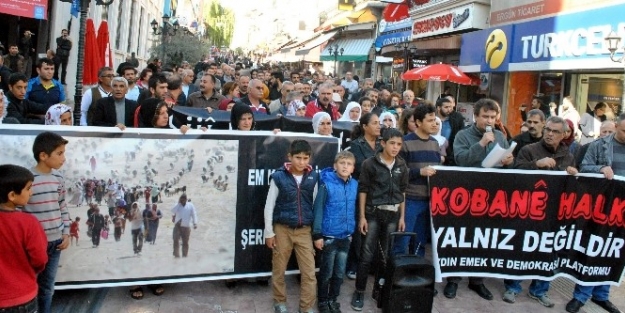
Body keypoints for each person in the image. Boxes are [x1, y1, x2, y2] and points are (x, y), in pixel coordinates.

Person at [445, 98, 514, 301]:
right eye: (485, 116)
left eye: (493, 117)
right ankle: (453, 279)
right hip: (467, 194)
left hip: (491, 196)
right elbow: (462, 160)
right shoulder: (463, 135)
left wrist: (509, 161)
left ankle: (477, 281)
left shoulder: (501, 136)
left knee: (484, 239)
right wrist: (481, 143)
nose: (489, 120)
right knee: (461, 238)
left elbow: (508, 163)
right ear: (476, 116)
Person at [506, 116, 578, 307]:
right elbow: (515, 173)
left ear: (564, 135)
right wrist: (536, 165)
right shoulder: (529, 150)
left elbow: (569, 185)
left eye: (555, 131)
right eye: (547, 130)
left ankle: (539, 290)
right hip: (528, 209)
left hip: (554, 212)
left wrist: (573, 174)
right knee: (522, 249)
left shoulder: (567, 154)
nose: (550, 134)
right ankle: (513, 287)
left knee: (548, 252)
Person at [567, 113, 625, 313]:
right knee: (594, 248)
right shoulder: (599, 145)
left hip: (622, 209)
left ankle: (602, 295)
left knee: (613, 249)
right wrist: (601, 168)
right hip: (601, 205)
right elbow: (584, 168)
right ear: (616, 126)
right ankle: (580, 296)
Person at [350, 128, 408, 311]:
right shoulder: (370, 163)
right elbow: (363, 190)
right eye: (392, 143)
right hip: (373, 213)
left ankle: (379, 289)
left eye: (399, 144)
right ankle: (359, 291)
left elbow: (403, 192)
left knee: (385, 256)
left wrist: (402, 217)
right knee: (366, 254)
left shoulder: (402, 165)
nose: (395, 147)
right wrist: (362, 217)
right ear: (383, 143)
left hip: (393, 215)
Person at [263, 140, 318, 313]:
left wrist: (316, 234)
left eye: (305, 158)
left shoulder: (313, 177)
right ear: (290, 157)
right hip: (282, 229)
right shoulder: (279, 176)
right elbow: (269, 206)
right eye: (298, 158)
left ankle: (307, 306)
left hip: (304, 231)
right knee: (279, 269)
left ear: (309, 158)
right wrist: (269, 232)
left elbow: (316, 206)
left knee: (309, 272)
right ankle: (280, 302)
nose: (301, 162)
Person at [23, 132, 70, 313]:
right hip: (34, 244)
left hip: (56, 243)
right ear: (43, 156)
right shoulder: (28, 181)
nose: (63, 158)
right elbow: (20, 212)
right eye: (59, 153)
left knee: (48, 286)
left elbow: (62, 206)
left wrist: (65, 232)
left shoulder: (58, 179)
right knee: (29, 283)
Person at [312, 151, 358, 313]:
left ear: (353, 168)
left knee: (339, 272)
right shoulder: (326, 184)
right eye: (342, 163)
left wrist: (351, 231)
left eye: (349, 164)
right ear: (335, 166)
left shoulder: (354, 185)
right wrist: (317, 234)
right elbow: (318, 210)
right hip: (329, 236)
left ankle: (333, 299)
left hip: (345, 236)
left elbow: (353, 210)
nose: (345, 166)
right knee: (326, 272)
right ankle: (323, 301)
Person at [0, 164, 48, 313]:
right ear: (12, 195)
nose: (31, 192)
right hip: (23, 297)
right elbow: (40, 259)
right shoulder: (29, 223)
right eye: (28, 188)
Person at [394, 104, 440, 257]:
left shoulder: (435, 143)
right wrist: (419, 172)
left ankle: (415, 274)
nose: (434, 123)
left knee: (420, 243)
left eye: (435, 120)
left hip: (429, 200)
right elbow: (399, 171)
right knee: (402, 240)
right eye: (430, 120)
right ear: (419, 122)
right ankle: (395, 276)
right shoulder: (405, 142)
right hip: (410, 200)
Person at [435, 96, 465, 165]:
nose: (449, 109)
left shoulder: (455, 120)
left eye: (450, 107)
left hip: (449, 154)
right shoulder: (433, 119)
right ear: (439, 108)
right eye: (446, 107)